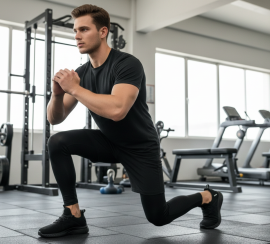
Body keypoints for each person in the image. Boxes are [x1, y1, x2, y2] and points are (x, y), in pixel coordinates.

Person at [38, 4, 223, 238]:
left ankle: (208, 197)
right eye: (75, 31)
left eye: (84, 30)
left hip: (140, 147)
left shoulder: (127, 64)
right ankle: (73, 215)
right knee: (57, 141)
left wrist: (74, 88)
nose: (77, 36)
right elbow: (55, 118)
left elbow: (117, 110)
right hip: (109, 141)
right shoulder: (82, 73)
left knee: (158, 216)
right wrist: (56, 94)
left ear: (103, 31)